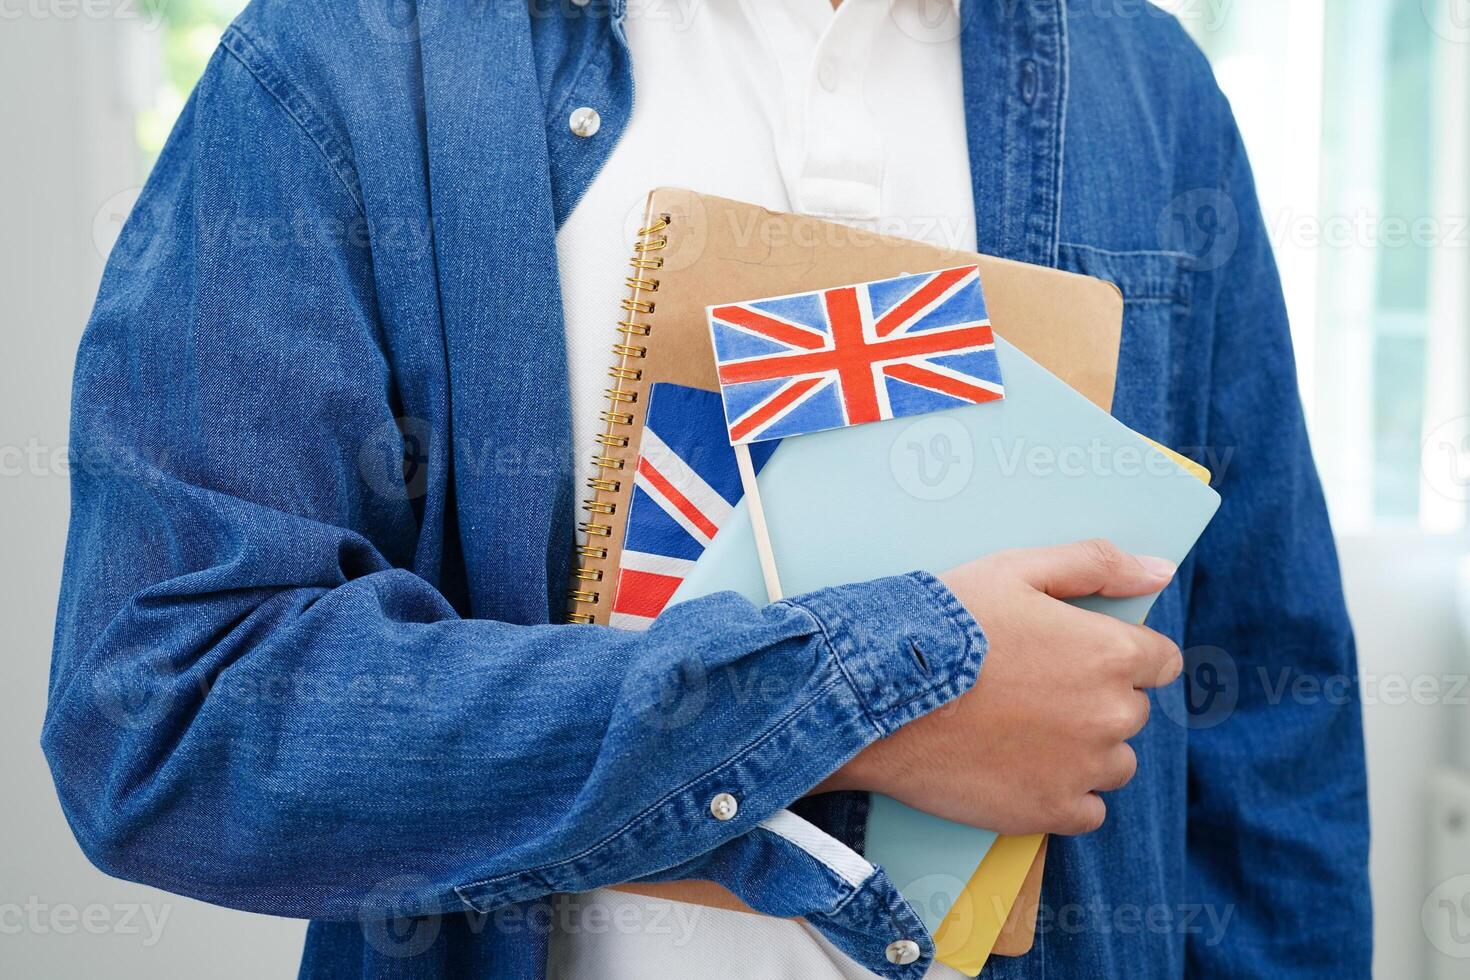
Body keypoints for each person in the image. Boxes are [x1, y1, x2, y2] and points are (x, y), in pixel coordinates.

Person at [42, 1, 1371, 978]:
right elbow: (168, 722)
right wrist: (849, 704)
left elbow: (1263, 726)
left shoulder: (1142, 87)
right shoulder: (346, 67)